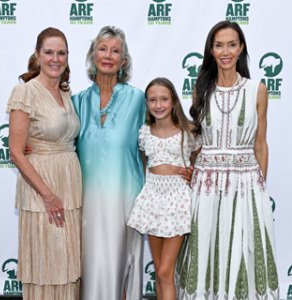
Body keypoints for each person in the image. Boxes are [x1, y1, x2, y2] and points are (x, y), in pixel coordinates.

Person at [72, 26, 192, 300]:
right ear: (92, 56)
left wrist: (188, 165)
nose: (108, 55)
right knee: (90, 264)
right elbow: (63, 142)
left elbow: (169, 133)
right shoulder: (76, 101)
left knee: (123, 264)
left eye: (116, 51)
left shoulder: (139, 98)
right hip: (87, 201)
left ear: (123, 61)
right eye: (102, 49)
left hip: (129, 199)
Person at [176, 20, 279, 300]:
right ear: (211, 50)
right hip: (207, 185)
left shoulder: (257, 89)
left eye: (232, 44)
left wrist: (259, 186)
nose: (225, 51)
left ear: (241, 48)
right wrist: (193, 170)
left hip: (246, 184)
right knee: (206, 246)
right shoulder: (201, 89)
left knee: (244, 249)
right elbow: (197, 143)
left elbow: (260, 143)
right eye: (219, 45)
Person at [6, 27, 82, 300]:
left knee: (68, 262)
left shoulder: (66, 92)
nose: (55, 58)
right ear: (37, 55)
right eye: (49, 52)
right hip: (42, 189)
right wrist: (48, 195)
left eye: (61, 53)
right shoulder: (25, 92)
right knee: (46, 263)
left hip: (69, 187)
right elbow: (15, 152)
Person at [127, 77, 201, 300]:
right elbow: (142, 165)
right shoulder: (143, 133)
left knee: (166, 272)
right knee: (160, 273)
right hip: (152, 199)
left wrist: (193, 174)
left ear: (173, 102)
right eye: (152, 100)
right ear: (147, 104)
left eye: (164, 99)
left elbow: (200, 164)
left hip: (177, 200)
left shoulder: (188, 132)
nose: (158, 105)